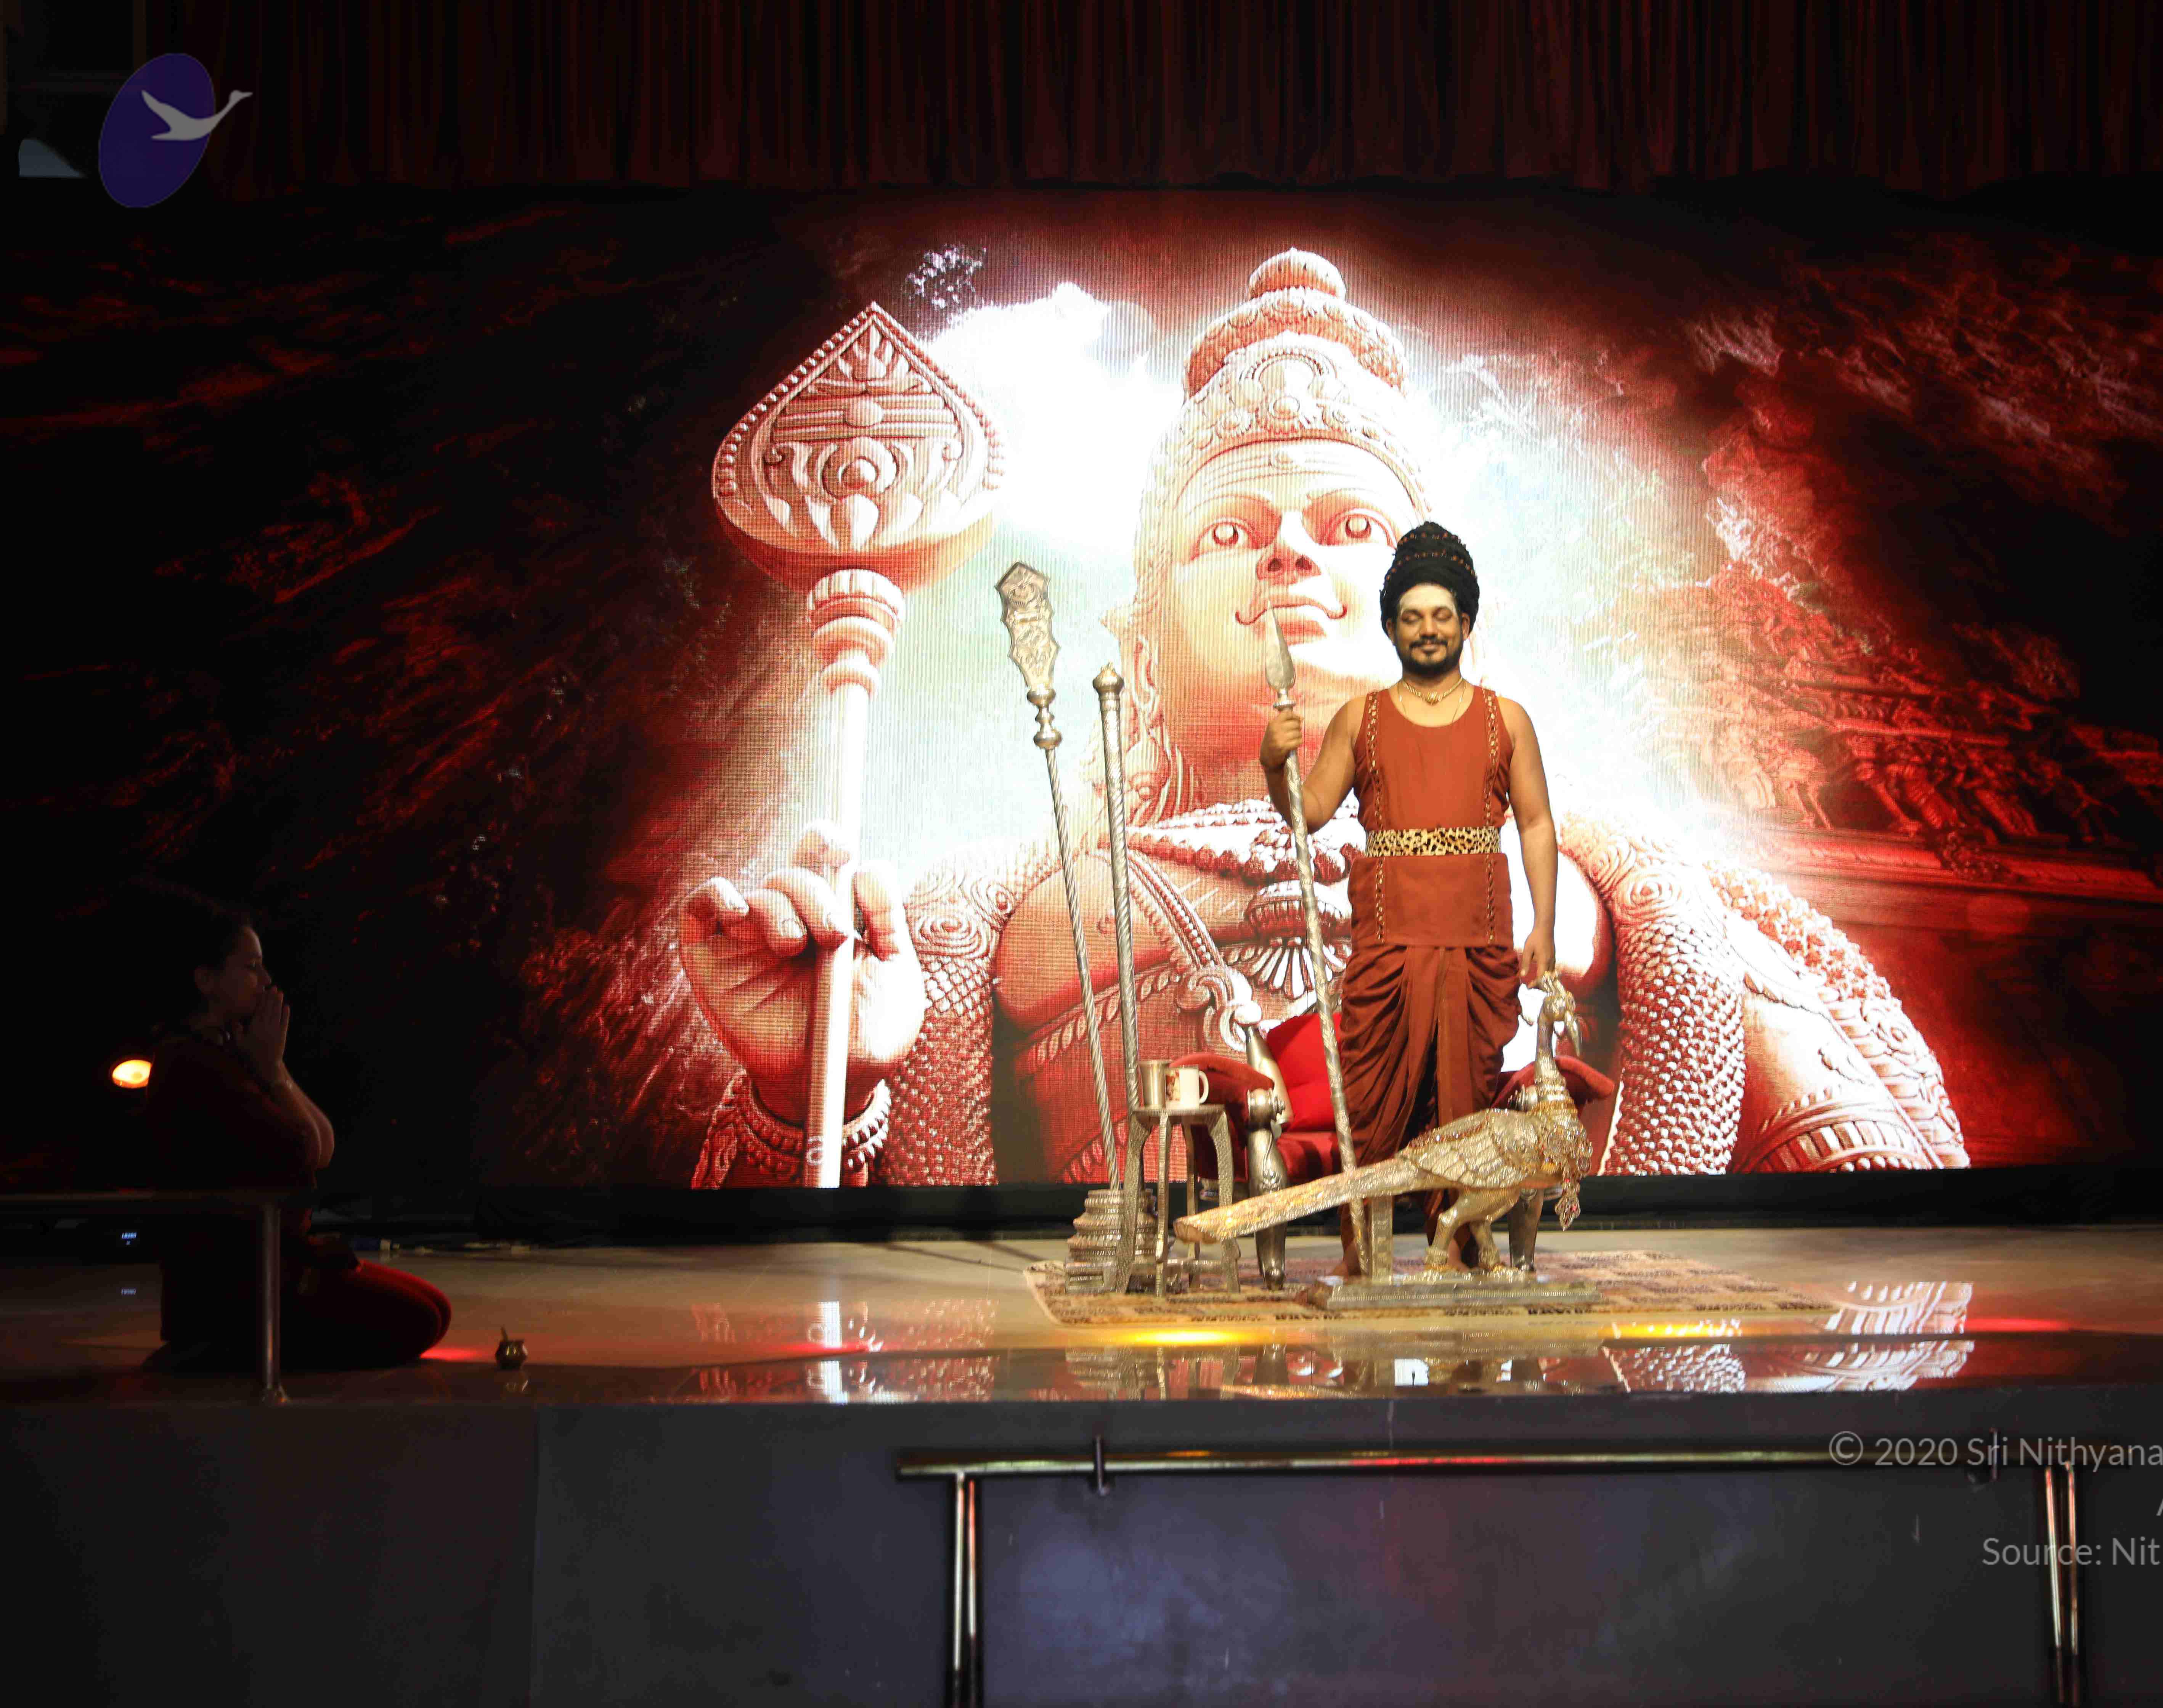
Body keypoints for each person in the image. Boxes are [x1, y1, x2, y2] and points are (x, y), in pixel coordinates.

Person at [679, 249, 1967, 1189]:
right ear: (1142, 645)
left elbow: (1879, 1263)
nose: (1289, 553)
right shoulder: (972, 933)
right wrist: (812, 1097)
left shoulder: (1645, 912)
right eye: (1227, 534)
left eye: (1353, 527)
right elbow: (807, 1340)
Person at [1256, 523, 1548, 1259]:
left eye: (1442, 616)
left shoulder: (1507, 721)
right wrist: (1272, 766)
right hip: (1389, 945)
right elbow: (1307, 813)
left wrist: (1544, 925)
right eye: (1412, 617)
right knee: (1375, 1109)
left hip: (1477, 943)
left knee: (1467, 1113)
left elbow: (1537, 824)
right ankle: (1367, 1256)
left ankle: (1465, 1253)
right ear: (1390, 628)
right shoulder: (1360, 719)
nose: (1428, 630)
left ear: (1466, 624)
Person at [139, 884, 450, 1370]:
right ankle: (225, 1349)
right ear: (206, 980)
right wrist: (271, 1071)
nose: (266, 981)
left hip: (275, 1264)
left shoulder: (232, 1052)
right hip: (240, 1285)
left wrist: (276, 1068)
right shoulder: (194, 1061)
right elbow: (302, 1149)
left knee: (435, 1307)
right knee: (420, 1319)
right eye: (251, 967)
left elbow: (324, 1146)